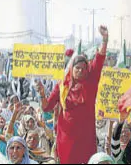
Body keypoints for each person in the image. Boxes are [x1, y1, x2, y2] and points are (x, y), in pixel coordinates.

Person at [36, 25, 108, 164]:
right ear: (71, 69)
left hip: (86, 138)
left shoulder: (91, 81)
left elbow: (99, 59)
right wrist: (42, 94)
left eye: (83, 68)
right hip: (66, 139)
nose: (81, 71)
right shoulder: (62, 85)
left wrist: (104, 40)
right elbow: (47, 107)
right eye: (77, 68)